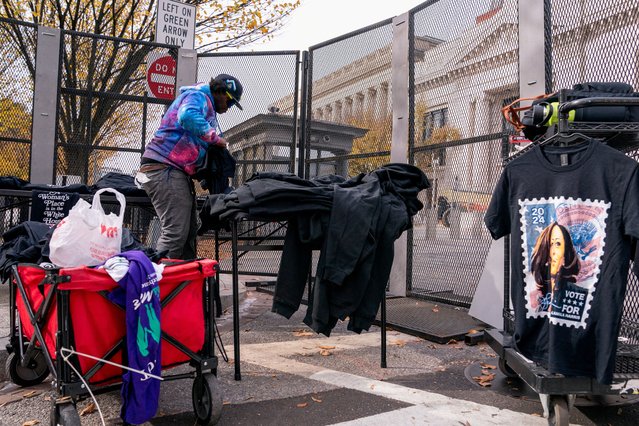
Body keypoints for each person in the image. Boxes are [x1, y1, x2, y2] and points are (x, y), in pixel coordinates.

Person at [137, 74, 243, 259]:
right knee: (175, 232)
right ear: (221, 92)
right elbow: (187, 115)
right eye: (230, 102)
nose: (229, 107)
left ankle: (186, 283)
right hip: (163, 168)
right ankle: (159, 283)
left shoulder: (205, 105)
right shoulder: (199, 96)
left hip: (173, 171)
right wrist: (215, 139)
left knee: (188, 233)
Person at [529, 222, 580, 312]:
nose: (552, 252)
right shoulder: (537, 295)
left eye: (557, 244)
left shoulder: (576, 294)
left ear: (567, 251)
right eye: (549, 245)